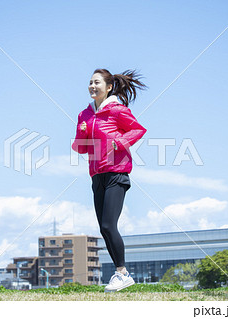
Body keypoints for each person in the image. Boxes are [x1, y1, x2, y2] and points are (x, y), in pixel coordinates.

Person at [72, 68, 147, 292]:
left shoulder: (117, 111)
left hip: (117, 172)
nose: (92, 86)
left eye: (97, 82)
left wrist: (120, 142)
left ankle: (122, 273)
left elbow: (138, 129)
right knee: (104, 228)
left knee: (108, 224)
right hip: (97, 175)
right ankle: (120, 274)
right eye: (90, 83)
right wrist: (82, 130)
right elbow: (80, 148)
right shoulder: (84, 115)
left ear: (109, 87)